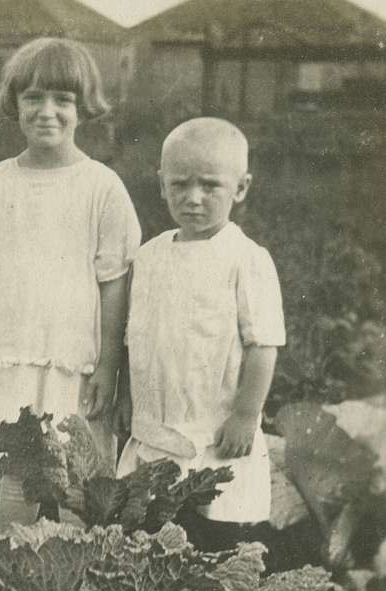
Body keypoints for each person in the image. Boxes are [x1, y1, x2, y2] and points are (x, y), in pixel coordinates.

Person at [0, 39, 141, 533]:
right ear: (14, 104)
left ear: (84, 108)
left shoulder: (102, 187)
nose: (47, 112)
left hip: (72, 363)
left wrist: (107, 366)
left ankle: (73, 587)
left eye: (63, 100)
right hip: (9, 359)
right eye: (33, 98)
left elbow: (114, 284)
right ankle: (20, 584)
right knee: (17, 484)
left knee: (75, 484)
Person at [114, 117, 286, 549]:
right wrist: (125, 398)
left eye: (210, 186)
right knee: (149, 534)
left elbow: (264, 343)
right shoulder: (149, 256)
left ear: (240, 188)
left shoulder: (246, 259)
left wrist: (247, 414)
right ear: (161, 185)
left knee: (216, 533)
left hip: (215, 430)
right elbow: (135, 336)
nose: (193, 199)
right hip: (155, 424)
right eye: (180, 185)